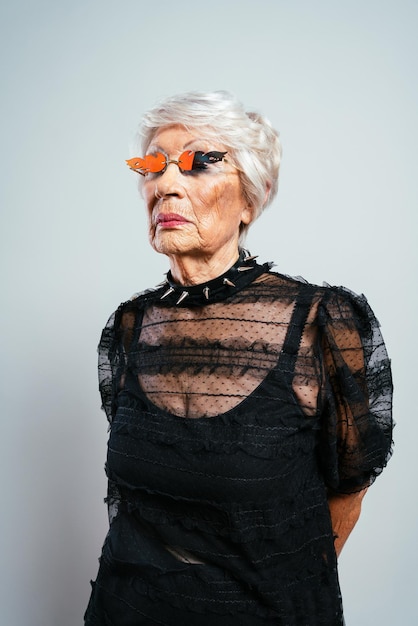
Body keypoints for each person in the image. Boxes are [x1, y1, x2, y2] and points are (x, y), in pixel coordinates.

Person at [84, 91, 393, 625]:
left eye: (199, 164)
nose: (166, 186)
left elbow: (350, 486)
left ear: (252, 198)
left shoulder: (321, 321)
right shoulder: (133, 326)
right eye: (154, 166)